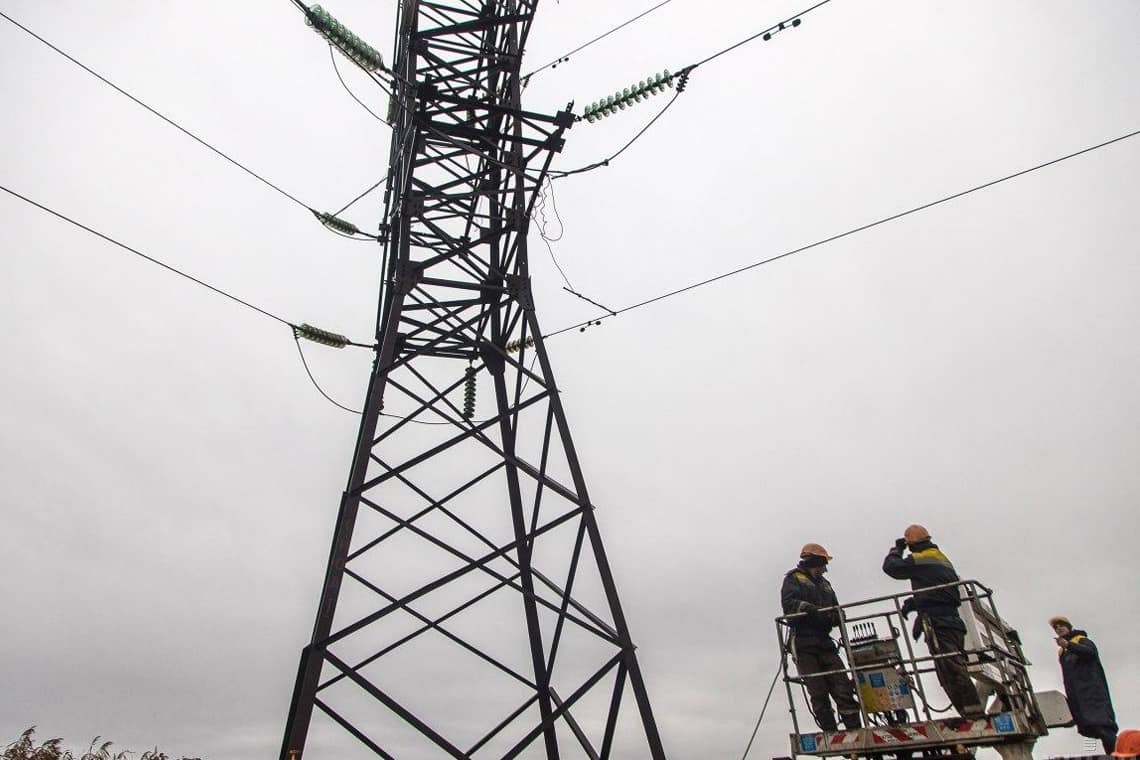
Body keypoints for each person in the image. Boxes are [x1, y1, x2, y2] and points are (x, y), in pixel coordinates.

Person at [881, 524, 985, 719]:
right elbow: (937, 590)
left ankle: (973, 714)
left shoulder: (923, 558)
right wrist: (916, 603)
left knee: (951, 668)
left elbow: (892, 568)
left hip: (940, 622)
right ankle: (969, 712)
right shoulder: (938, 558)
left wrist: (897, 549)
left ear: (912, 544)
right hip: (949, 619)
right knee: (949, 668)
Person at [781, 542, 862, 732]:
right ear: (814, 562)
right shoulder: (793, 580)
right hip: (804, 644)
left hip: (825, 643)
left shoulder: (825, 585)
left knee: (842, 687)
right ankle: (831, 732)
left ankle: (855, 730)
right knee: (818, 692)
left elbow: (836, 608)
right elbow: (789, 604)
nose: (825, 569)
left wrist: (837, 616)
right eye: (823, 564)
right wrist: (806, 608)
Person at [1050, 615, 1118, 754]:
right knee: (1089, 726)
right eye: (1056, 628)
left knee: (1102, 724)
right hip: (1077, 694)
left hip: (1092, 691)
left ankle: (1116, 752)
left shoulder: (1082, 640)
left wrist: (1069, 645)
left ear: (1068, 626)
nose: (1059, 629)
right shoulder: (1063, 652)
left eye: (1061, 625)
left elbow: (1090, 653)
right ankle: (1110, 752)